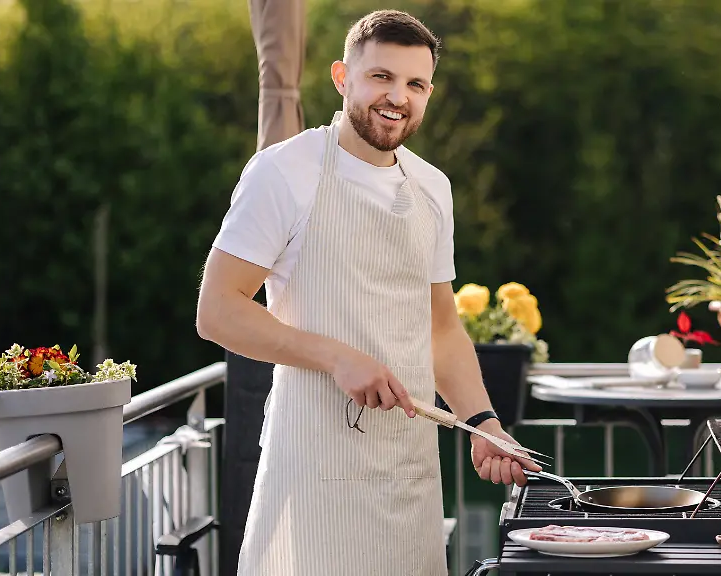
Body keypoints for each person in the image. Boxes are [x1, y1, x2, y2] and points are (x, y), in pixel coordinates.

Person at [195, 9, 541, 576]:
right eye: (381, 76)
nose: (397, 97)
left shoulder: (432, 187)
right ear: (342, 77)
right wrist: (337, 356)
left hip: (409, 476)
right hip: (312, 469)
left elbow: (440, 327)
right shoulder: (283, 171)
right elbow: (218, 310)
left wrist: (483, 424)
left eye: (415, 84)